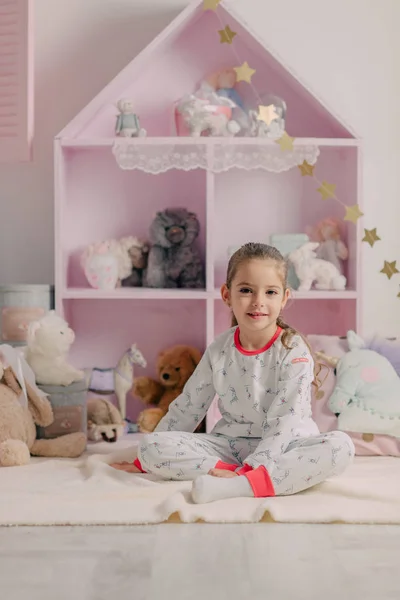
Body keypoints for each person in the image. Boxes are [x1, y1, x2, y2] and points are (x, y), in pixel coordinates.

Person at [112, 242, 355, 503]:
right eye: (246, 290)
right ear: (227, 295)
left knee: (341, 447)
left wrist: (257, 464)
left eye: (270, 292)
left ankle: (242, 485)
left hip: (286, 445)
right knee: (151, 445)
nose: (258, 302)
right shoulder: (220, 348)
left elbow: (286, 420)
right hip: (230, 446)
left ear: (284, 298)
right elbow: (188, 406)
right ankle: (230, 476)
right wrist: (144, 461)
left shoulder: (292, 350)